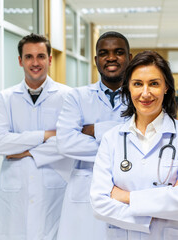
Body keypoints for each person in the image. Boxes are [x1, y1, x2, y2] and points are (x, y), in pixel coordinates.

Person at [90, 51, 178, 239]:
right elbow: (99, 203)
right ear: (128, 87)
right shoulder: (112, 139)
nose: (145, 93)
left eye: (154, 83)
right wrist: (162, 205)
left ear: (166, 87)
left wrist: (126, 197)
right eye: (137, 84)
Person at [0, 33, 71, 240]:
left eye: (41, 56)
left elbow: (70, 141)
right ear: (20, 61)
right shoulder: (4, 99)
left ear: (50, 60)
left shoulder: (68, 96)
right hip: (14, 192)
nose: (35, 63)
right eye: (29, 57)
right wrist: (46, 135)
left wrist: (25, 151)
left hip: (54, 190)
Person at [56, 31, 132, 240]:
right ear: (96, 60)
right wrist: (123, 140)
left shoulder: (141, 97)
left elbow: (144, 138)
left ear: (129, 58)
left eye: (118, 52)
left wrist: (94, 130)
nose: (111, 58)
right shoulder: (76, 97)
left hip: (128, 191)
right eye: (104, 53)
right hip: (85, 192)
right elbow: (65, 143)